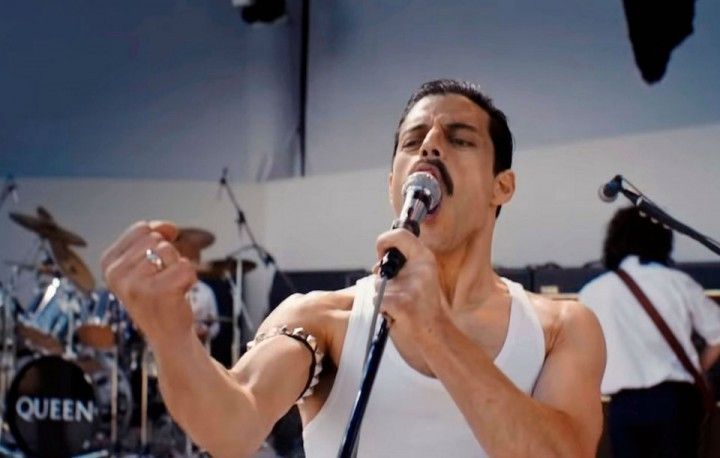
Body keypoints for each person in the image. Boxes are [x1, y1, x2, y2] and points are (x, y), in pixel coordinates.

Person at [101, 79, 606, 457]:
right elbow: (231, 425)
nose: (430, 145)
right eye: (413, 140)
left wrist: (435, 331)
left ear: (502, 186)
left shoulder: (560, 327)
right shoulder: (324, 320)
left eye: (460, 139)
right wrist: (171, 337)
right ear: (393, 184)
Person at [579, 206, 720, 457]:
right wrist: (697, 366)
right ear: (662, 241)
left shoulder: (592, 293)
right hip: (675, 402)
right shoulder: (677, 283)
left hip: (623, 407)